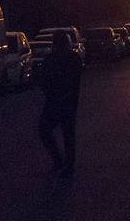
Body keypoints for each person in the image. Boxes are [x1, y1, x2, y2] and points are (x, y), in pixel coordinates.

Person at [39, 30, 83, 177]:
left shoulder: (52, 59)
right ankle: (66, 163)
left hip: (56, 101)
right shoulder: (73, 59)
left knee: (46, 130)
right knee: (67, 134)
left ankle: (61, 161)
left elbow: (44, 80)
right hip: (66, 101)